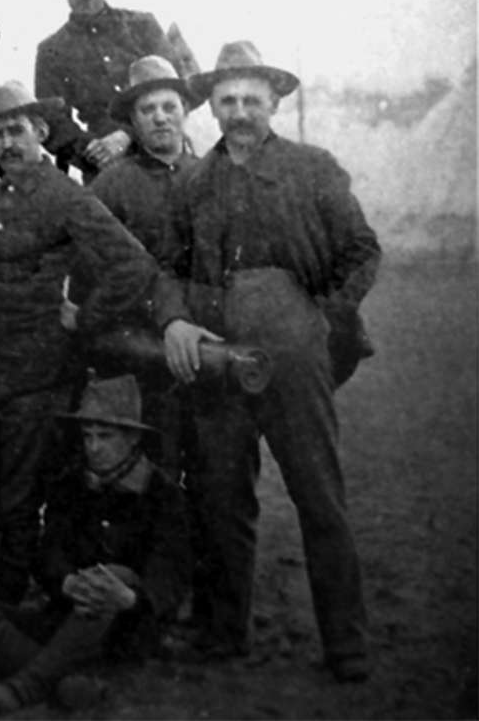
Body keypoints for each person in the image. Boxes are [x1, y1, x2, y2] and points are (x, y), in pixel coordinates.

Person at [159, 40, 381, 682]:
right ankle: (221, 631)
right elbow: (168, 267)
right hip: (219, 354)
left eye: (251, 99)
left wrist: (325, 318)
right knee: (219, 496)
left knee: (318, 494)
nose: (239, 111)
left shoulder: (314, 168)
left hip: (294, 350)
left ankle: (347, 641)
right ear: (214, 108)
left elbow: (362, 250)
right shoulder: (194, 181)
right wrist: (175, 317)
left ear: (274, 101)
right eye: (227, 100)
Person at [0, 82, 161, 610]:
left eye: (16, 130)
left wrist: (84, 318)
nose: (7, 143)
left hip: (34, 377)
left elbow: (132, 264)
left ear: (40, 132)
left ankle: (1, 615)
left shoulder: (67, 196)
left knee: (19, 504)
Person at [0, 375, 190, 718]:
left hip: (126, 626)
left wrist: (131, 598)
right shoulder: (71, 482)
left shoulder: (163, 494)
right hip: (67, 616)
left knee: (112, 577)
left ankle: (24, 688)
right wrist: (65, 581)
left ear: (134, 438)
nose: (93, 447)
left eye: (105, 436)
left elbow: (172, 574)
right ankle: (64, 680)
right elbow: (49, 553)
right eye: (88, 436)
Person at [89, 55, 200, 479]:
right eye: (146, 111)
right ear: (133, 122)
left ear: (185, 112)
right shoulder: (113, 183)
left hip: (202, 336)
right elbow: (92, 264)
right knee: (156, 463)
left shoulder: (209, 174)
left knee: (213, 468)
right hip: (139, 345)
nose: (160, 119)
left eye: (168, 107)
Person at [34, 0, 195, 182]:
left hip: (165, 146)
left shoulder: (142, 26)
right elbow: (52, 119)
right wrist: (92, 150)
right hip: (103, 163)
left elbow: (178, 88)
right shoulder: (52, 50)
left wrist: (128, 135)